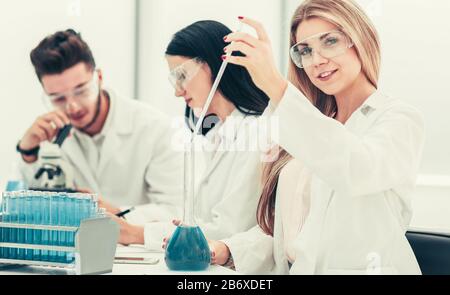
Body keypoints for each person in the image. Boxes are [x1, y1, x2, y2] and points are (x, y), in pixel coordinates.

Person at [212, 0, 425, 274]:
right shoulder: (308, 122)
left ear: (361, 38)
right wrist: (227, 250)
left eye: (331, 41)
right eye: (306, 50)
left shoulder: (399, 118)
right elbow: (294, 234)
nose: (317, 60)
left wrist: (276, 86)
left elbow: (356, 169)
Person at [110, 20, 271, 250]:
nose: (178, 91)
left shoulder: (256, 132)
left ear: (216, 65)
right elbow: (205, 221)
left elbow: (230, 228)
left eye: (182, 75)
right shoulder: (217, 135)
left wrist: (136, 234)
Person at [17, 29, 183, 241]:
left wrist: (115, 213)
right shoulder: (48, 134)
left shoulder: (154, 128)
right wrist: (28, 152)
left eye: (81, 91)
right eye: (58, 98)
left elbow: (177, 210)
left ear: (99, 78)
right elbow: (27, 211)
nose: (72, 106)